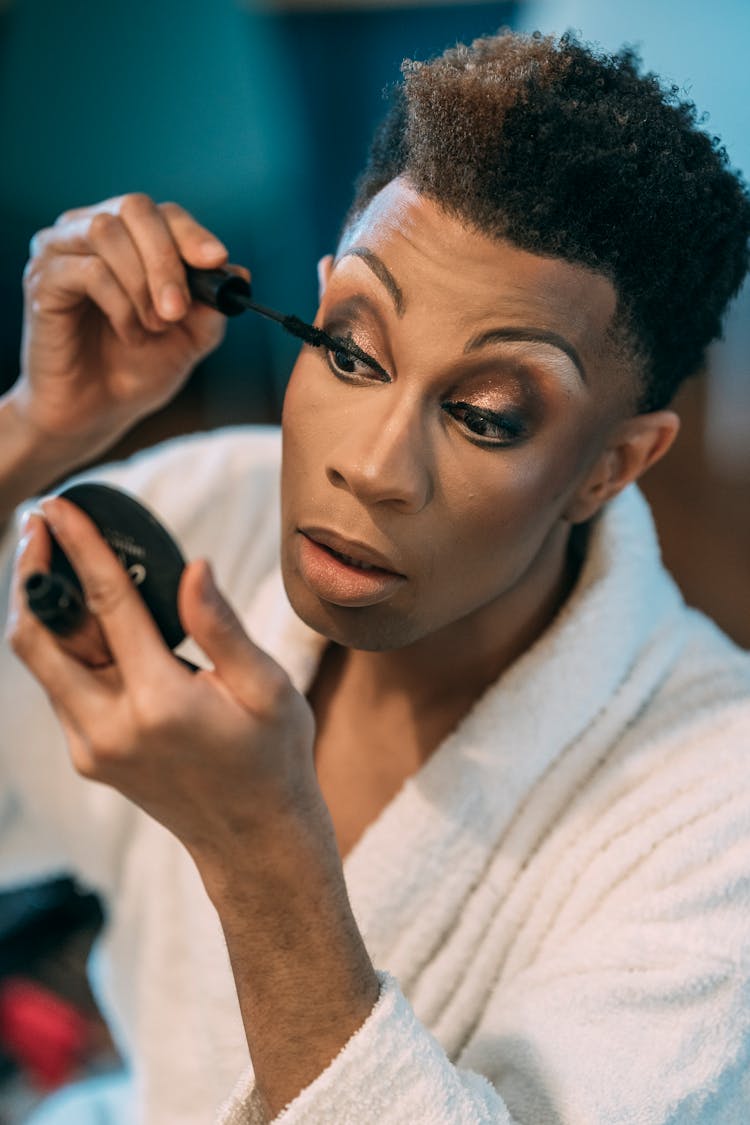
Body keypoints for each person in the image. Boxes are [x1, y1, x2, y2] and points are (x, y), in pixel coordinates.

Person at [1, 29, 749, 1125]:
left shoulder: (714, 814)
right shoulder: (212, 511)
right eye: (352, 350)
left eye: (488, 415)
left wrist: (264, 865)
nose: (371, 464)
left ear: (610, 467)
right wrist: (31, 433)